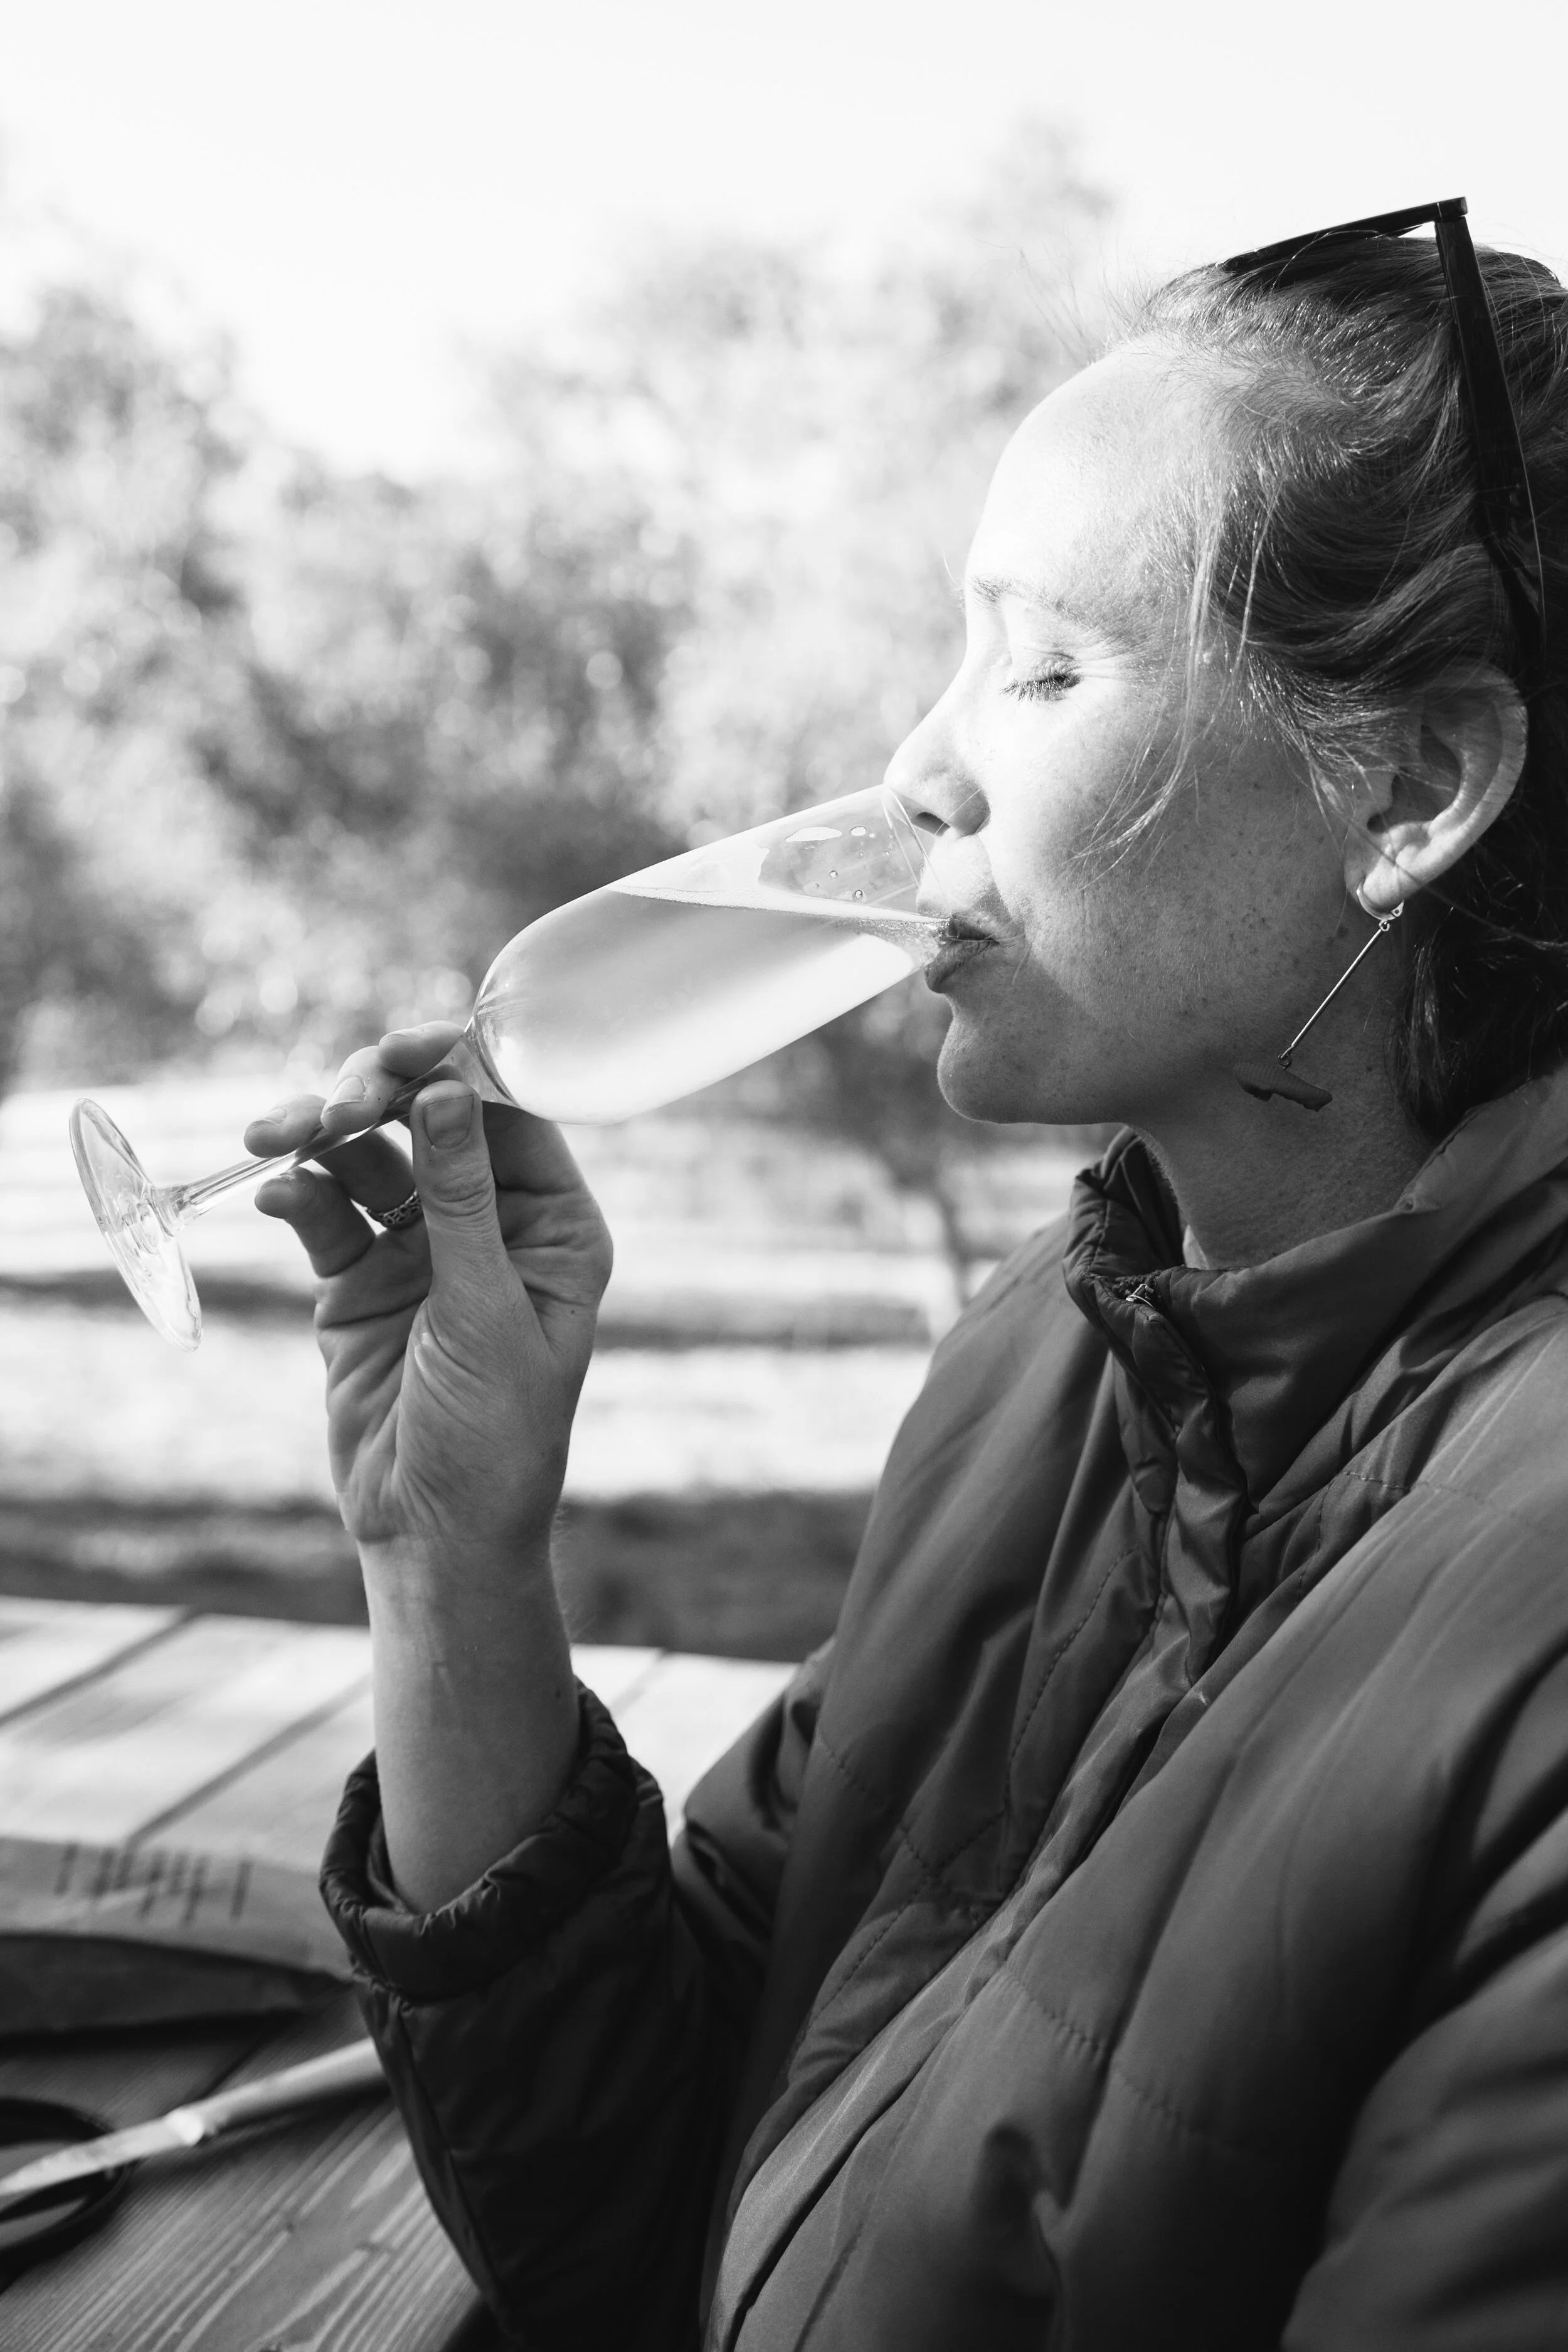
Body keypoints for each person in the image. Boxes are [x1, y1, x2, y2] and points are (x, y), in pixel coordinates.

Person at [245, 205, 1568, 2349]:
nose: (916, 770)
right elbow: (639, 2209)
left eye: (1039, 669)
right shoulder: (1042, 1371)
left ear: (1410, 787)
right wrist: (450, 1560)